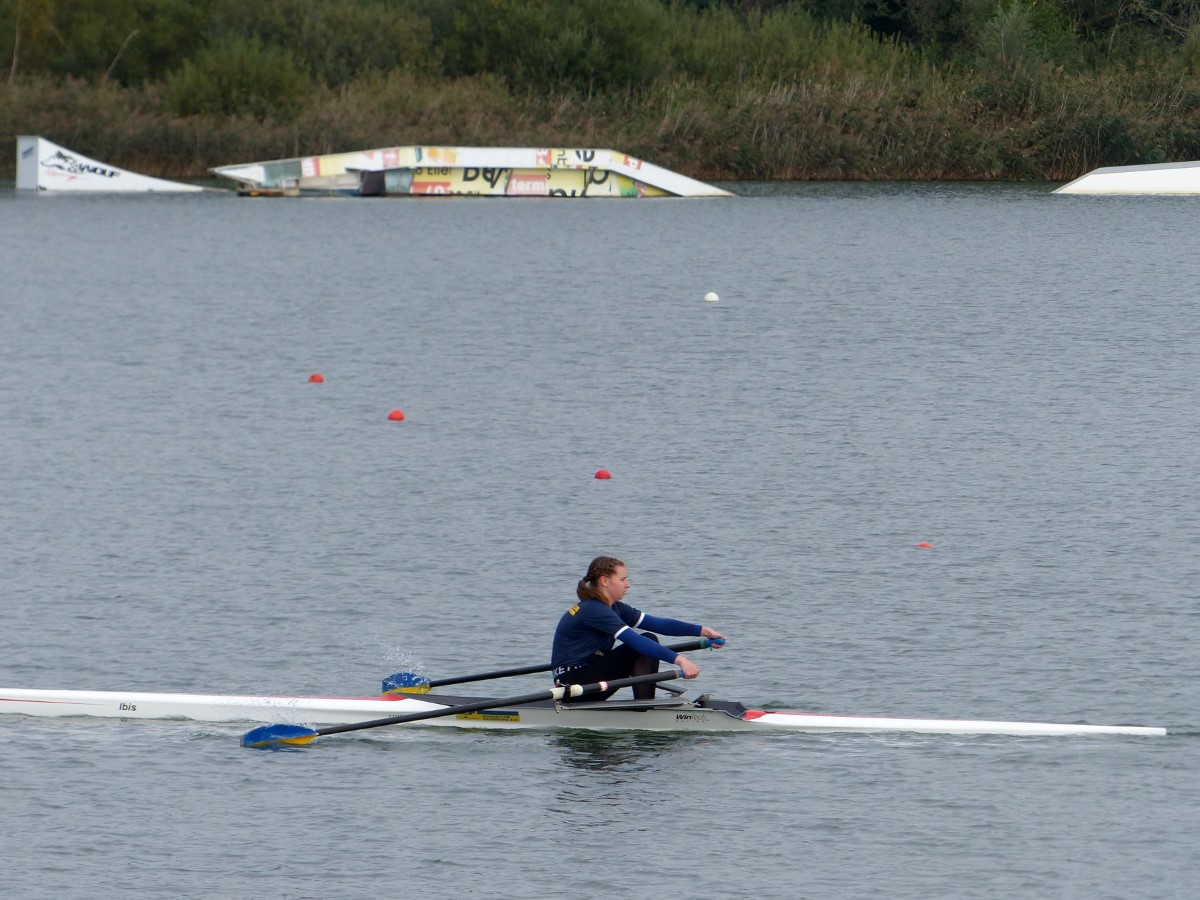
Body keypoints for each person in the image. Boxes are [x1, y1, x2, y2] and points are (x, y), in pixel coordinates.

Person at [551, 556, 727, 701]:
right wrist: (681, 661)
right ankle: (644, 709)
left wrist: (703, 631)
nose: (628, 585)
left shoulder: (615, 608)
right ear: (604, 581)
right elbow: (635, 641)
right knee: (646, 642)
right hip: (573, 686)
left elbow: (659, 624)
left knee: (649, 639)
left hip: (587, 678)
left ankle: (644, 707)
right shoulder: (594, 610)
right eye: (622, 579)